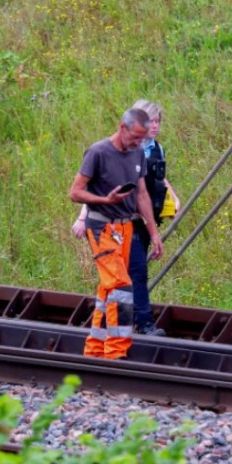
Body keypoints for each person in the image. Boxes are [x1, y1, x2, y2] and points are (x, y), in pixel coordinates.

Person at [72, 99, 180, 337]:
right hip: (102, 227)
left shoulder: (139, 153)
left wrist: (154, 233)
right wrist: (103, 202)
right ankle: (114, 336)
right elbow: (76, 192)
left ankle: (140, 326)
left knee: (137, 273)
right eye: (135, 138)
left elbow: (142, 195)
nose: (138, 143)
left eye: (142, 139)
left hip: (129, 226)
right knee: (118, 282)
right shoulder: (98, 152)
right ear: (123, 128)